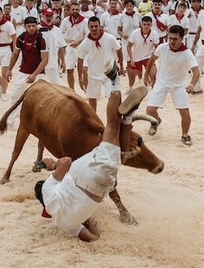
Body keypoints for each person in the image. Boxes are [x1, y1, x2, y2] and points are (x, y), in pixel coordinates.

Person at [34, 84, 149, 242]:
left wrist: (88, 220)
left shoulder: (64, 224)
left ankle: (127, 117)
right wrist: (53, 165)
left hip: (97, 192)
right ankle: (114, 81)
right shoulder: (48, 190)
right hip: (79, 175)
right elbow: (66, 160)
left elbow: (94, 238)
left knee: (119, 158)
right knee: (110, 131)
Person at [144, 24, 200, 146]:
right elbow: (151, 60)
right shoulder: (162, 47)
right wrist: (146, 75)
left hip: (179, 85)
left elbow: (196, 72)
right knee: (149, 111)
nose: (172, 41)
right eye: (170, 38)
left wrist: (192, 84)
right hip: (161, 82)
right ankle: (156, 121)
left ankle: (185, 135)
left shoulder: (187, 53)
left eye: (175, 39)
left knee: (184, 112)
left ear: (182, 38)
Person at [77, 16, 123, 111]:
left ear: (99, 26)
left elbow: (119, 50)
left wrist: (121, 66)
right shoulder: (85, 43)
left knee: (113, 98)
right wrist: (80, 78)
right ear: (88, 27)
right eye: (91, 26)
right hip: (93, 74)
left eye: (96, 26)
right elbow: (80, 60)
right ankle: (93, 118)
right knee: (92, 97)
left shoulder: (109, 38)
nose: (94, 29)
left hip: (110, 73)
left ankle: (114, 118)